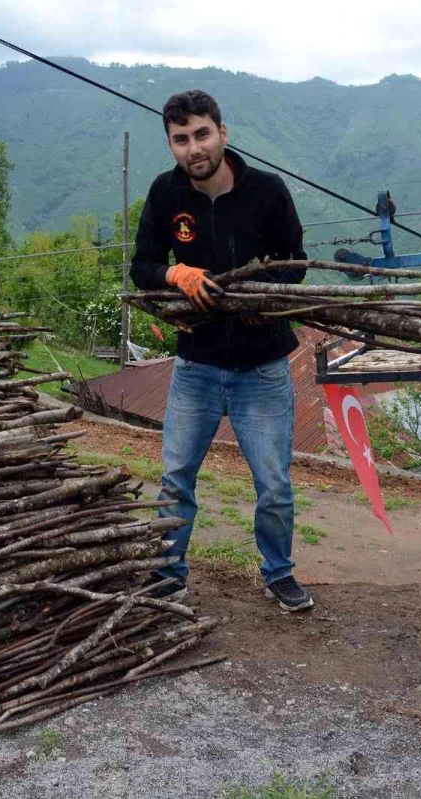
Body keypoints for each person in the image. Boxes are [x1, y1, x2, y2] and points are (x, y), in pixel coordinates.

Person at [130, 89, 313, 611]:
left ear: (223, 132)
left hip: (263, 366)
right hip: (198, 364)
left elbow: (295, 263)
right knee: (176, 476)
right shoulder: (166, 196)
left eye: (202, 134)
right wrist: (174, 272)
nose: (194, 148)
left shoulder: (267, 191)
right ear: (171, 145)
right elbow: (141, 266)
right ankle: (168, 573)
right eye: (180, 139)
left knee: (274, 483)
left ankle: (279, 573)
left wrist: (264, 294)